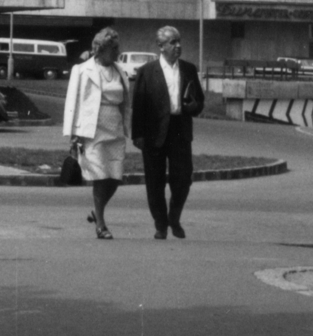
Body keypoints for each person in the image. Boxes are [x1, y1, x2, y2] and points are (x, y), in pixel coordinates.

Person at [131, 25, 205, 239]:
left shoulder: (189, 69)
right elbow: (139, 106)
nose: (178, 46)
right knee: (154, 181)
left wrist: (193, 106)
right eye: (173, 42)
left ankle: (174, 217)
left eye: (179, 41)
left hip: (180, 130)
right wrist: (138, 134)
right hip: (153, 132)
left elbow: (199, 101)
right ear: (161, 46)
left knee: (182, 178)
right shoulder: (147, 71)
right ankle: (160, 224)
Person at [61, 26, 132, 239]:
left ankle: (97, 211)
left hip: (115, 129)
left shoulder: (121, 71)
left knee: (115, 177)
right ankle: (100, 223)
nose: (117, 52)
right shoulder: (82, 70)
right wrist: (73, 134)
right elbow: (72, 103)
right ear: (100, 50)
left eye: (117, 47)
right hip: (92, 130)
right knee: (100, 176)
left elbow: (126, 104)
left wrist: (129, 128)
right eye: (113, 48)